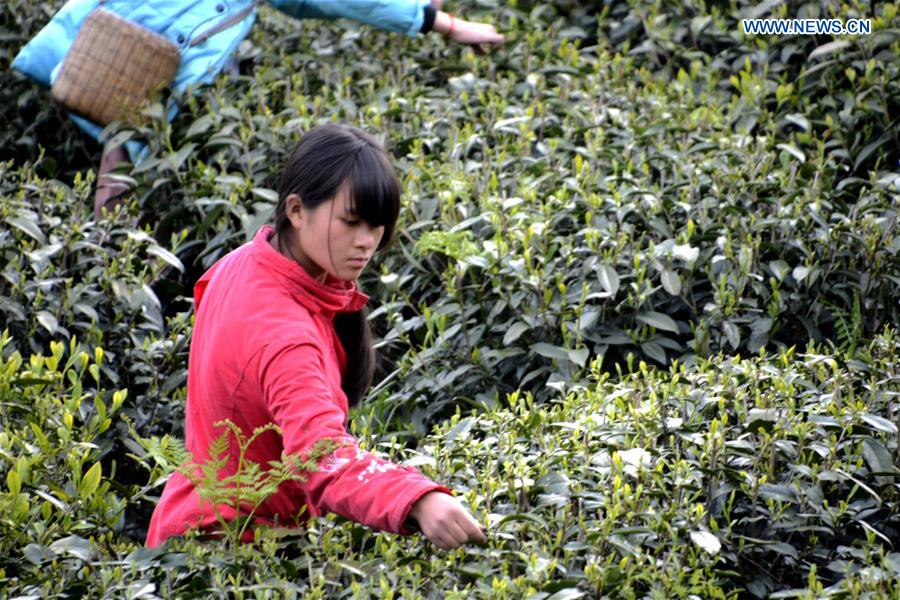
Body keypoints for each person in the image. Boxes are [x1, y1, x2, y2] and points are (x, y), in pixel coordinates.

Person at [145, 123, 487, 551]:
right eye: (350, 222)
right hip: (229, 552)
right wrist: (418, 499)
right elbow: (320, 457)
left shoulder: (245, 261)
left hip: (193, 525)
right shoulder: (284, 336)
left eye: (377, 226)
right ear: (296, 210)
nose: (366, 243)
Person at [11, 0, 504, 218]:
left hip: (103, 39)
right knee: (116, 169)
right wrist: (442, 23)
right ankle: (102, 266)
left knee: (108, 158)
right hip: (134, 51)